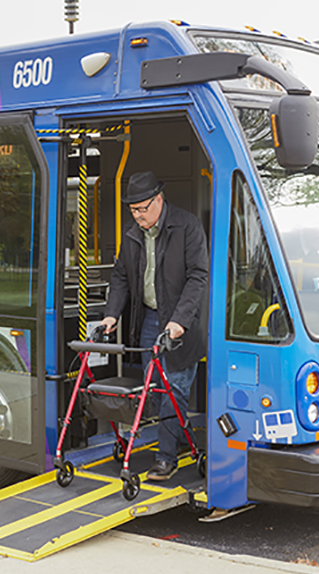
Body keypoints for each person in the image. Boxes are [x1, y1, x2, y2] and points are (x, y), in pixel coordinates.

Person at [99, 171, 208, 481]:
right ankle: (178, 439)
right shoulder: (133, 233)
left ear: (159, 200)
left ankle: (166, 456)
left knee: (175, 386)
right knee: (154, 387)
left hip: (179, 323)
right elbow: (121, 275)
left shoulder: (186, 227)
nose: (138, 216)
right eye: (133, 210)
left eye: (142, 208)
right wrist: (111, 314)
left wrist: (179, 321)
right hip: (149, 319)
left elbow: (198, 276)